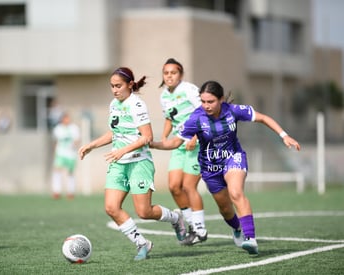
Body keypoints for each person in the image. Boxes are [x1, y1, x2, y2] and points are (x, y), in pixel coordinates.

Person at [150, 80, 301, 255]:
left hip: (233, 157)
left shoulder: (233, 111)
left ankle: (250, 238)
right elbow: (175, 142)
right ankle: (237, 228)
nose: (206, 106)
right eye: (203, 101)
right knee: (225, 208)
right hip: (209, 167)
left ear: (221, 99)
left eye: (211, 102)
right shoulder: (196, 118)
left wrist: (284, 135)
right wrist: (153, 144)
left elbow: (263, 118)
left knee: (236, 192)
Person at [78, 67, 186, 261]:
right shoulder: (114, 104)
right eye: (112, 86)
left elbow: (147, 137)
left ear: (129, 84)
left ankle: (176, 218)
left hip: (139, 163)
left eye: (118, 86)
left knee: (144, 212)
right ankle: (142, 243)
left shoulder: (137, 105)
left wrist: (122, 150)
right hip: (119, 164)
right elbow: (115, 133)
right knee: (111, 207)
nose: (115, 90)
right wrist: (92, 145)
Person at [158, 58, 207, 245]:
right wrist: (164, 137)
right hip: (179, 145)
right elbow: (169, 119)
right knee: (173, 186)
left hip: (196, 144)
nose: (169, 76)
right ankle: (192, 226)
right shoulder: (163, 96)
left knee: (188, 186)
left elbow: (203, 112)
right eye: (166, 73)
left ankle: (200, 229)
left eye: (173, 72)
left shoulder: (189, 89)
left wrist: (195, 136)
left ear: (181, 75)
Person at [52, 112, 80, 199]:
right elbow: (55, 141)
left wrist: (74, 145)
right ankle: (56, 191)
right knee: (57, 170)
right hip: (60, 153)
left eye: (68, 118)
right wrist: (55, 152)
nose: (67, 120)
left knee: (70, 172)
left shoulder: (74, 128)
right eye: (65, 118)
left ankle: (70, 192)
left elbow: (77, 140)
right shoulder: (58, 129)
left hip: (71, 154)